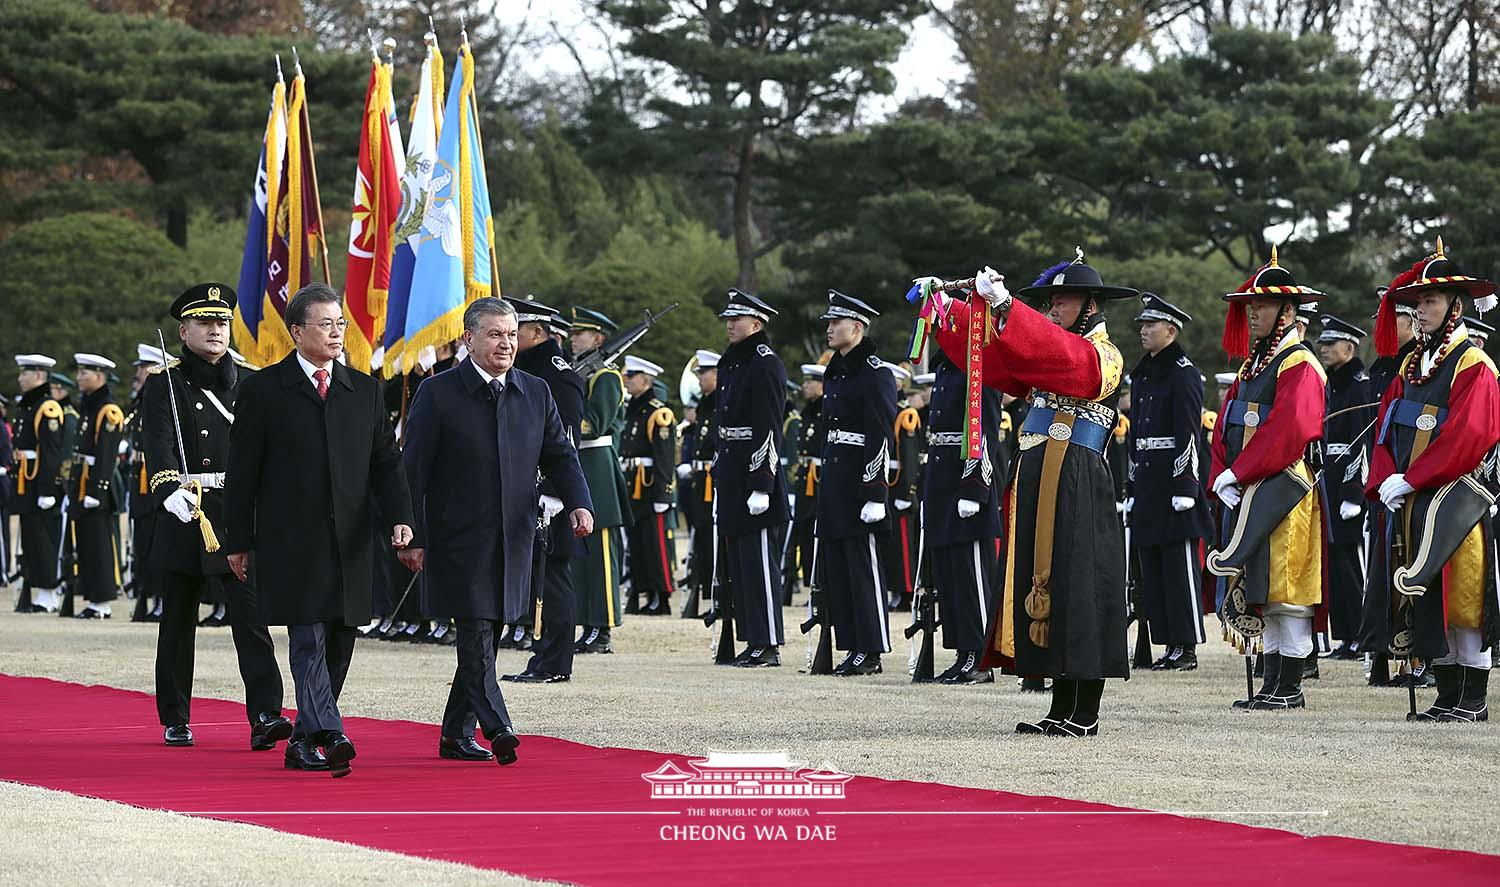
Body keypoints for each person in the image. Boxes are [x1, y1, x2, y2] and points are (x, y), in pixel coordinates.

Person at [927, 250, 1134, 735]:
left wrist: (1008, 308)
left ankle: (1085, 712)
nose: (1053, 308)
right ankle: (1059, 707)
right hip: (1040, 472)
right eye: (1049, 301)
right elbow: (997, 361)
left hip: (1078, 475)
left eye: (1062, 301)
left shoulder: (1104, 353)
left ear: (1090, 305)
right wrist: (951, 310)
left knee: (1079, 585)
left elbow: (1068, 362)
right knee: (1050, 584)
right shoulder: (1047, 348)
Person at [224, 283, 413, 778]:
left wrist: (402, 518)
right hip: (292, 542)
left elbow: (386, 465)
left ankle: (305, 739)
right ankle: (330, 731)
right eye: (325, 324)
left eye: (340, 324)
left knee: (341, 639)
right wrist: (238, 541)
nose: (336, 333)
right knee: (306, 638)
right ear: (296, 331)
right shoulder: (263, 390)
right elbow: (241, 474)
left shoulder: (365, 391)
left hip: (351, 542)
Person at [400, 298, 592, 762]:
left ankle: (454, 734)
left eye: (510, 334)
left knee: (494, 627)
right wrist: (412, 532)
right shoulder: (439, 393)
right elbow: (412, 471)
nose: (505, 343)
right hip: (457, 537)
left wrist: (580, 503)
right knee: (475, 627)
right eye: (494, 334)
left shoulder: (535, 391)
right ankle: (497, 725)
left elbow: (561, 457)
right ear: (468, 338)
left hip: (516, 535)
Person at [143, 285, 289, 751]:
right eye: (204, 324)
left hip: (234, 513)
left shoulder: (250, 379)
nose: (214, 331)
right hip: (185, 510)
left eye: (221, 323)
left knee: (250, 618)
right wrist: (168, 490)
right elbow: (158, 444)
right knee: (179, 620)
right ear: (184, 331)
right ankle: (176, 716)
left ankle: (266, 714)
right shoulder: (163, 383)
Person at [1366, 240, 1500, 723]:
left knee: (1463, 596)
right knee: (1427, 597)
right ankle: (1444, 694)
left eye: (1431, 301)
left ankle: (1473, 698)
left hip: (1458, 500)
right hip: (1412, 497)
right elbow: (1384, 429)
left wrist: (1413, 476)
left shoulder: (1474, 365)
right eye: (1418, 302)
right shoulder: (1408, 366)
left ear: (1456, 306)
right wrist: (1385, 478)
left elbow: (1469, 436)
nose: (1420, 310)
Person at [1207, 249, 1327, 711]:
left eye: (1260, 306)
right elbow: (1225, 426)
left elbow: (1290, 430)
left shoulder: (1301, 364)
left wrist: (1239, 471)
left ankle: (1290, 685)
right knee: (1261, 584)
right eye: (1250, 305)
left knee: (1287, 589)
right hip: (1250, 485)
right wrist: (1223, 472)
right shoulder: (1249, 368)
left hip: (1284, 488)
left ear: (1287, 311)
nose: (1251, 313)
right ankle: (1272, 681)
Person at [505, 298, 590, 684]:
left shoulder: (556, 373)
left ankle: (555, 660)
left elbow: (565, 440)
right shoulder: (527, 368)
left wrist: (557, 493)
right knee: (539, 575)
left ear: (537, 332)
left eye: (516, 329)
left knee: (553, 575)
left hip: (549, 494)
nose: (509, 336)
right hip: (527, 487)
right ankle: (542, 657)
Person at [1126, 294, 1211, 672]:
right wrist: (1131, 485)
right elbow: (1135, 433)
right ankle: (1166, 642)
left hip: (1173, 480)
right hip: (1147, 478)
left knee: (1178, 567)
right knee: (1153, 569)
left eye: (1151, 325)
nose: (1143, 331)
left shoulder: (1183, 371)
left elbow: (1189, 432)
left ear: (1171, 331)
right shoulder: (1144, 371)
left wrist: (1186, 486)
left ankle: (1186, 645)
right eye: (1142, 325)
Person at [817, 290, 898, 677]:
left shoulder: (875, 372)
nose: (830, 329)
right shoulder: (836, 369)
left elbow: (880, 433)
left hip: (860, 480)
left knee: (863, 567)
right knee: (840, 567)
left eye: (837, 322)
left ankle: (871, 647)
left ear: (858, 326)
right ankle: (851, 646)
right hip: (835, 477)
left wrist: (875, 491)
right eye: (829, 322)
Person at [711, 288, 790, 666]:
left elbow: (769, 426)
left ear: (756, 324)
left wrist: (762, 483)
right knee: (740, 564)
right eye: (728, 318)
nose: (730, 324)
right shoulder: (734, 362)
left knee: (758, 562)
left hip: (755, 473)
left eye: (736, 319)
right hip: (732, 468)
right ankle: (751, 637)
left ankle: (767, 641)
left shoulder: (764, 363)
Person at [920, 348, 1001, 684]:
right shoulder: (948, 365)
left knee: (970, 576)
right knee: (950, 576)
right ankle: (962, 654)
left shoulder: (980, 363)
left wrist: (975, 488)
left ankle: (979, 657)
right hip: (942, 478)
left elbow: (986, 429)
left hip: (966, 481)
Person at [1357, 293, 1420, 687]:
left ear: (1412, 320)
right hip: (1382, 482)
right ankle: (1379, 655)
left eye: (1390, 317)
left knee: (1410, 570)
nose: (1381, 325)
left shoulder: (1417, 364)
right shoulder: (1379, 368)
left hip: (1413, 480)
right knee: (1379, 575)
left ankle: (1416, 660)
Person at [570, 307, 630, 653]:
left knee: (601, 557)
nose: (574, 338)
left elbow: (595, 423)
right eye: (574, 333)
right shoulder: (578, 372)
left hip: (597, 466)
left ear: (599, 339)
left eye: (582, 333)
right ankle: (587, 625)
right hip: (580, 464)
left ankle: (602, 628)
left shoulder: (605, 377)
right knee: (581, 558)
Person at [1315, 314, 1374, 660]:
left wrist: (1354, 491)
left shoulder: (1359, 384)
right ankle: (1345, 636)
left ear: (1349, 348)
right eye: (1322, 343)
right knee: (1335, 565)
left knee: (1352, 566)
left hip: (1348, 482)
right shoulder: (1332, 382)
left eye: (1330, 343)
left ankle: (1359, 635)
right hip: (1329, 480)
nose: (1323, 348)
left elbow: (1361, 440)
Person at [68, 353, 126, 619]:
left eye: (84, 373)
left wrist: (95, 490)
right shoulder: (89, 406)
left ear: (100, 376)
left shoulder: (108, 410)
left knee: (99, 545)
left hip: (95, 487)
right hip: (82, 483)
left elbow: (106, 454)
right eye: (79, 372)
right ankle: (93, 598)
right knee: (87, 545)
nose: (79, 377)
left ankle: (102, 602)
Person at [619, 355, 677, 616]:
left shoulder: (659, 413)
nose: (626, 380)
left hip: (651, 485)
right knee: (639, 544)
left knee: (656, 545)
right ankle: (645, 592)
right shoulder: (634, 409)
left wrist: (663, 493)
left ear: (645, 379)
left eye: (630, 376)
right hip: (634, 486)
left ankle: (661, 596)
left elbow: (664, 457)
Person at [12, 355, 65, 614]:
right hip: (24, 480)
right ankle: (37, 591)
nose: (20, 378)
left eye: (25, 373)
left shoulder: (48, 408)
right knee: (31, 540)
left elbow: (50, 452)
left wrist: (47, 489)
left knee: (43, 540)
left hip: (37, 481)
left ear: (39, 376)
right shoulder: (28, 406)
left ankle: (48, 594)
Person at [679, 350, 719, 618]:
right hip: (699, 482)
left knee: (712, 541)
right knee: (701, 539)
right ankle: (701, 589)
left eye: (703, 373)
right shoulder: (705, 405)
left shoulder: (720, 404)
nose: (700, 378)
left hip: (713, 482)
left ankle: (714, 594)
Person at [886, 362, 921, 613]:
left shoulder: (905, 413)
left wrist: (908, 491)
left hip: (900, 486)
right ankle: (896, 590)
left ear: (899, 384)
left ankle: (907, 591)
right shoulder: (886, 408)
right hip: (886, 483)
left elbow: (909, 455)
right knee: (891, 546)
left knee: (903, 545)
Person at [789, 363, 824, 600]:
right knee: (804, 536)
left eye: (810, 382)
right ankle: (810, 585)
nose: (805, 386)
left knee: (816, 535)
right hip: (805, 479)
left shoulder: (825, 409)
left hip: (820, 478)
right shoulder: (807, 411)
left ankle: (819, 585)